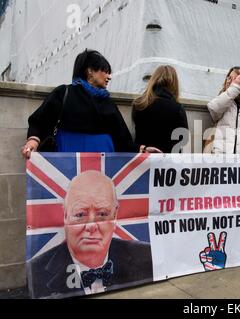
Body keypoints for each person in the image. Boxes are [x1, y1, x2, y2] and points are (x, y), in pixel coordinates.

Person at [27, 171, 153, 299]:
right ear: (65, 216)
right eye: (80, 215)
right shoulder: (35, 271)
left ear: (115, 216)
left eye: (102, 214)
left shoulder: (146, 255)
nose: (91, 226)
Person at [21, 49, 157, 159]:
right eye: (105, 71)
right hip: (67, 160)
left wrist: (142, 149)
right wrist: (33, 141)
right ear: (90, 71)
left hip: (105, 162)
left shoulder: (108, 102)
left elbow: (122, 139)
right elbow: (40, 121)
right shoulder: (64, 93)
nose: (109, 77)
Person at [132, 65, 189, 153]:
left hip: (142, 159)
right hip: (167, 163)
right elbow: (183, 140)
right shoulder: (177, 108)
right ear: (174, 83)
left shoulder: (139, 104)